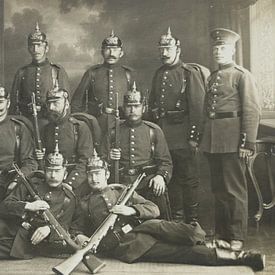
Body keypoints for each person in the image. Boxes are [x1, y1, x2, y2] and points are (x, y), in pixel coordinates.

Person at [77, 154, 265, 272]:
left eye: (98, 173)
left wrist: (131, 209)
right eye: (91, 174)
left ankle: (207, 241)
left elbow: (153, 209)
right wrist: (80, 237)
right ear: (86, 176)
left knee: (190, 231)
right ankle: (245, 257)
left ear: (107, 174)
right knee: (187, 252)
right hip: (131, 244)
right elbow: (74, 230)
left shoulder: (122, 191)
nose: (94, 178)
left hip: (149, 227)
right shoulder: (84, 203)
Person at [200, 28, 261, 251]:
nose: (218, 52)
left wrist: (247, 143)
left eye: (223, 48)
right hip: (213, 140)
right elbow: (208, 111)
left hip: (233, 140)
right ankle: (222, 234)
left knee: (234, 190)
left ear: (232, 51)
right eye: (215, 48)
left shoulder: (242, 75)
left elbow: (252, 111)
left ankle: (236, 237)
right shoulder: (214, 77)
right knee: (218, 190)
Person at [149, 27, 206, 223]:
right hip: (163, 137)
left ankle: (192, 223)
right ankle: (176, 221)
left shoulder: (189, 73)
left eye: (168, 48)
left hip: (183, 136)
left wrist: (193, 138)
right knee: (169, 179)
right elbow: (153, 104)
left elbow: (198, 109)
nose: (164, 53)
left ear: (178, 50)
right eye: (161, 48)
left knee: (188, 179)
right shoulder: (159, 74)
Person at [102, 82, 173, 219]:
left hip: (146, 184)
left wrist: (161, 176)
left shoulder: (153, 130)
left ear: (144, 107)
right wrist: (109, 158)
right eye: (129, 106)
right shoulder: (113, 131)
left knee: (158, 216)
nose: (132, 110)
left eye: (136, 106)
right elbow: (100, 160)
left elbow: (166, 162)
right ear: (123, 108)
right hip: (120, 183)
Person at [0, 148, 83, 259]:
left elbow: (66, 226)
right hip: (7, 229)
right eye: (49, 171)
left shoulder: (69, 197)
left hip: (25, 244)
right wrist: (28, 206)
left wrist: (49, 229)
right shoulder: (30, 184)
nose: (53, 175)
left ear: (65, 173)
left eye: (57, 171)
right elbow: (4, 207)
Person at [71, 30, 135, 136]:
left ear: (121, 53)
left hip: (123, 124)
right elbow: (76, 103)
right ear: (102, 52)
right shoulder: (92, 73)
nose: (111, 53)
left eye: (115, 49)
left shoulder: (128, 74)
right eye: (107, 49)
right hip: (97, 125)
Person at [35, 83, 94, 194]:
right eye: (49, 104)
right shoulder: (45, 129)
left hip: (74, 184)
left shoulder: (79, 127)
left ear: (66, 104)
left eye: (56, 103)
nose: (51, 108)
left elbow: (85, 160)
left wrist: (70, 183)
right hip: (50, 181)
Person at [10, 22, 70, 126]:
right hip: (26, 124)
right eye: (32, 46)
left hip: (51, 124)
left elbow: (66, 104)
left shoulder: (57, 71)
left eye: (39, 45)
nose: (35, 50)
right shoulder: (22, 72)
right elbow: (13, 103)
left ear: (46, 48)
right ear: (29, 48)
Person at [0, 86, 37, 201]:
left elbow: (30, 163)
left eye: (0, 101)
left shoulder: (18, 128)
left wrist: (16, 181)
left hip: (9, 184)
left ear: (8, 103)